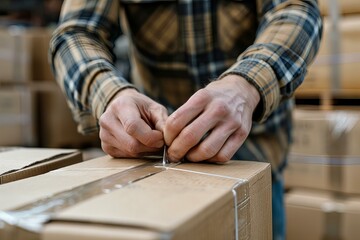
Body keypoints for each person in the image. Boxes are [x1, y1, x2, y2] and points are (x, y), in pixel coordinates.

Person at [49, 0, 322, 239]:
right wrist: (109, 94)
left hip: (254, 157)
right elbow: (76, 32)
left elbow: (297, 10)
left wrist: (246, 85)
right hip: (153, 167)